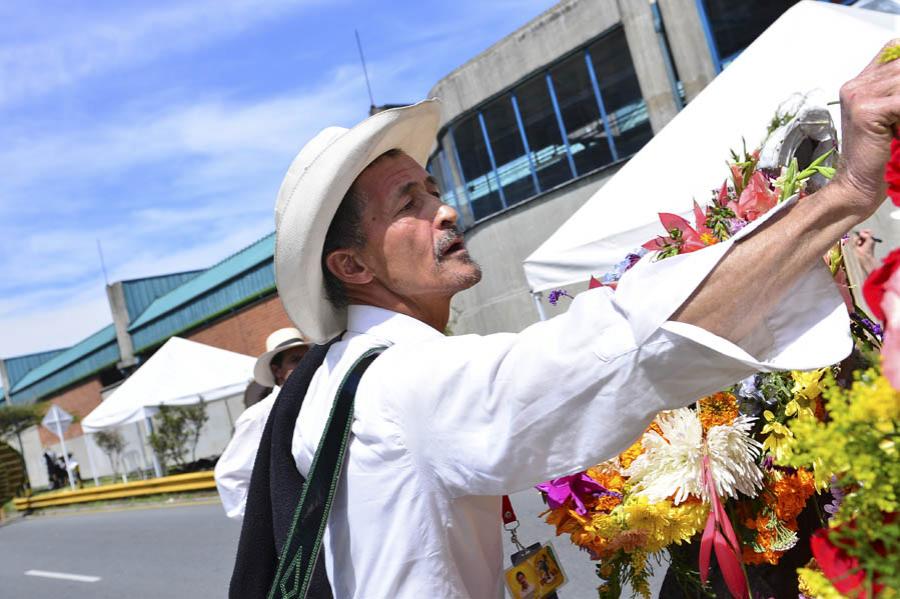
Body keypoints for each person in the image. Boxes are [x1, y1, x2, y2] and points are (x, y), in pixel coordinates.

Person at [238, 42, 899, 597]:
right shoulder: (403, 385)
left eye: (436, 190)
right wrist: (845, 193)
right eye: (409, 202)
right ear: (353, 267)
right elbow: (618, 348)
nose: (444, 211)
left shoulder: (331, 381)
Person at [215, 328, 310, 519]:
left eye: (308, 359)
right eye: (296, 360)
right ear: (277, 371)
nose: (306, 367)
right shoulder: (259, 417)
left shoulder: (317, 403)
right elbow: (229, 477)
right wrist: (266, 523)